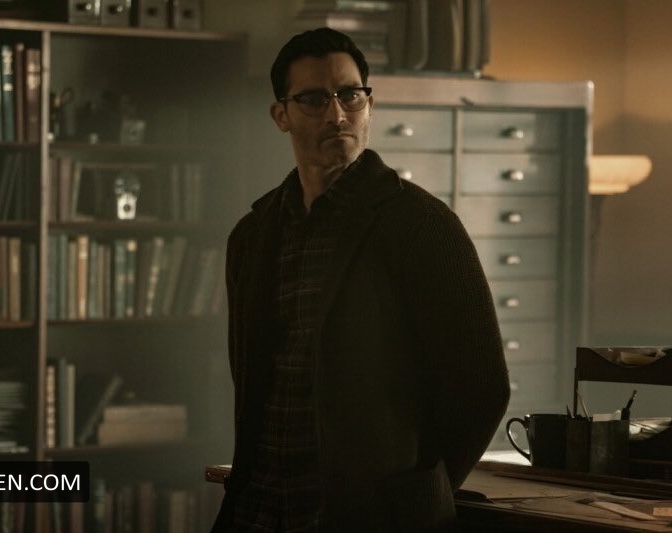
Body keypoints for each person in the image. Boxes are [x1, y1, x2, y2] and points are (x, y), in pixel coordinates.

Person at [213, 27, 510, 532]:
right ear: (281, 116)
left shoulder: (419, 225)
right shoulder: (254, 235)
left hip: (371, 515)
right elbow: (253, 379)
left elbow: (482, 388)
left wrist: (417, 490)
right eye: (313, 99)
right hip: (260, 505)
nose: (336, 114)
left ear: (368, 104)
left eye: (350, 95)